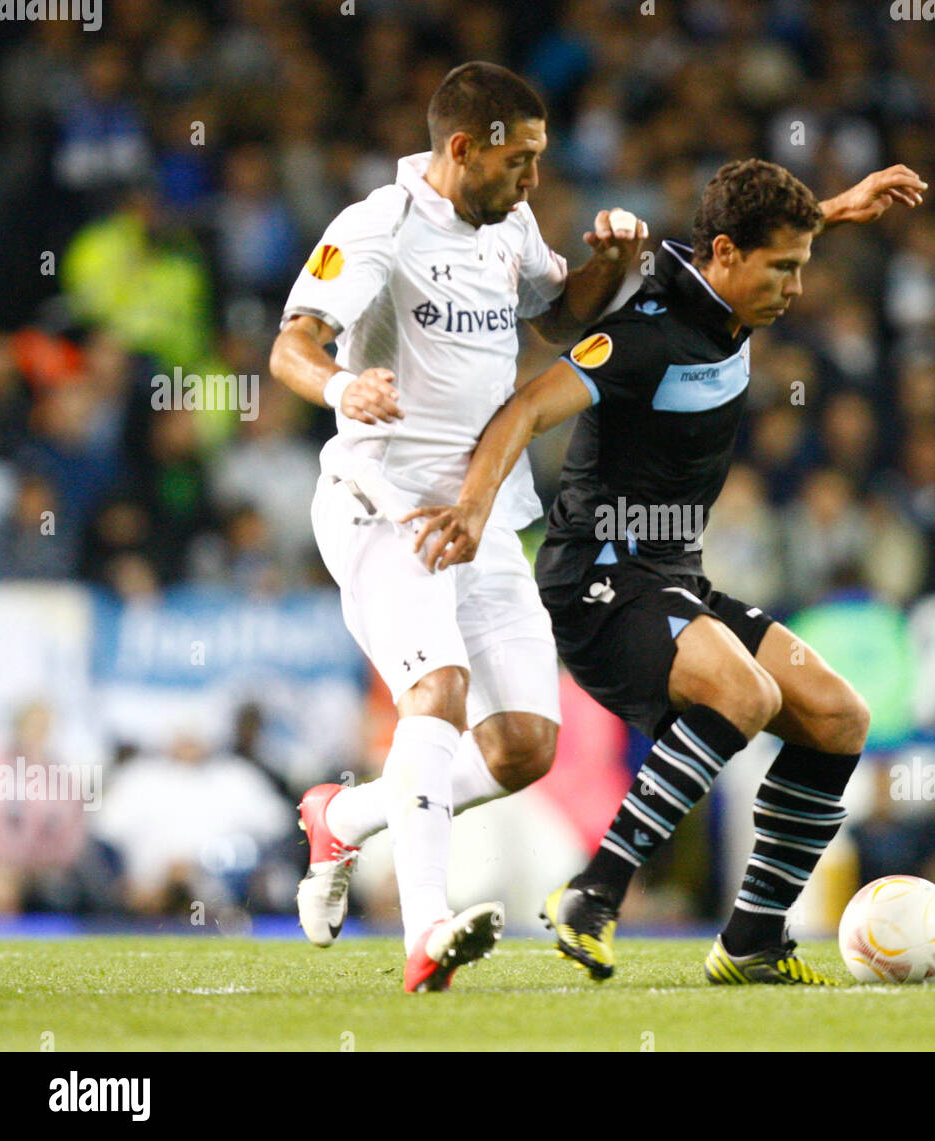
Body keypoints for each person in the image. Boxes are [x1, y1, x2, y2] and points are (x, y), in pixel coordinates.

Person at [405, 157, 926, 984]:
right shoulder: (648, 329)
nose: (795, 286)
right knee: (746, 694)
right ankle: (594, 893)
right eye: (785, 267)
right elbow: (528, 406)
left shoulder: (729, 291)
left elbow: (774, 236)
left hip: (674, 575)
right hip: (599, 577)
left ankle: (753, 937)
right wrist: (472, 506)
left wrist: (841, 208)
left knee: (837, 717)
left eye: (803, 264)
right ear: (724, 253)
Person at [268, 62, 645, 992]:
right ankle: (426, 928)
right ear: (462, 148)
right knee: (436, 688)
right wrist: (341, 384)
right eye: (519, 161)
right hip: (384, 509)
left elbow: (557, 318)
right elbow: (291, 346)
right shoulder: (376, 227)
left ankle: (344, 820)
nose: (534, 181)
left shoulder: (509, 225)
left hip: (484, 517)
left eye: (542, 161)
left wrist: (615, 263)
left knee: (523, 745)